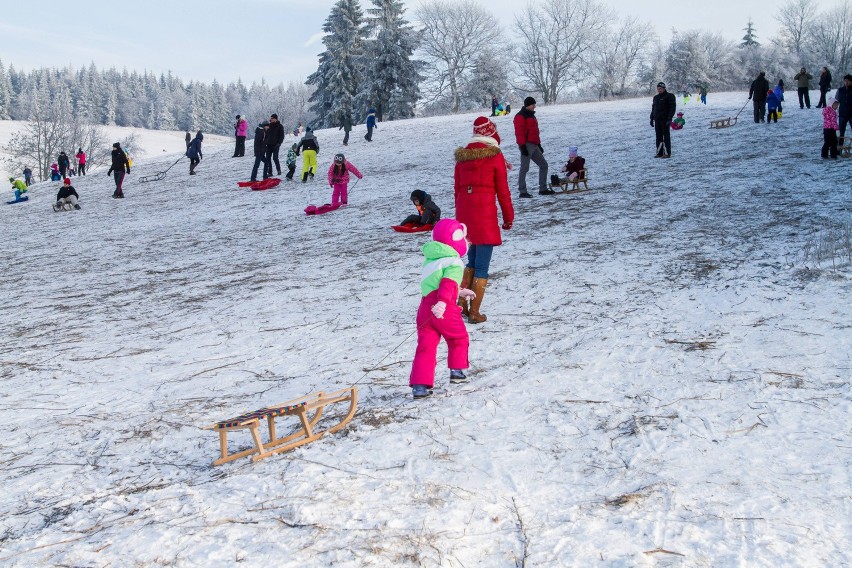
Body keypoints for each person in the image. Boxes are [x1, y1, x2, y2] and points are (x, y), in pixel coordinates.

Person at [454, 116, 514, 324]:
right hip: (485, 215)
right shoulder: (495, 156)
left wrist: (459, 220)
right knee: (482, 267)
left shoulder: (462, 158)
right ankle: (475, 312)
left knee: (470, 261)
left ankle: (462, 302)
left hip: (465, 215)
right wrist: (508, 218)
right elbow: (503, 192)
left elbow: (457, 191)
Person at [409, 218, 473, 399]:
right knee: (459, 338)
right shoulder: (454, 261)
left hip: (425, 309)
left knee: (425, 347)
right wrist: (444, 301)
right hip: (444, 309)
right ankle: (457, 372)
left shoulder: (431, 259)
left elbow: (435, 283)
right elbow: (447, 283)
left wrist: (458, 292)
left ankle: (420, 386)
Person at [513, 96, 551, 196]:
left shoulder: (532, 116)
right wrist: (522, 146)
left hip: (534, 145)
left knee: (544, 165)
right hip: (526, 145)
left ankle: (543, 189)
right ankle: (522, 191)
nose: (535, 106)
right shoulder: (520, 116)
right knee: (524, 168)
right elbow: (519, 133)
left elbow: (535, 132)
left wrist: (539, 144)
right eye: (533, 105)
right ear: (528, 105)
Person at [650, 82, 676, 157]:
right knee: (658, 137)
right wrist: (651, 118)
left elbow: (672, 108)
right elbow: (653, 109)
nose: (659, 90)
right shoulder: (656, 97)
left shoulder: (670, 96)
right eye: (658, 89)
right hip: (657, 120)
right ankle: (659, 153)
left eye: (660, 89)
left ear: (664, 88)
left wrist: (669, 118)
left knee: (666, 137)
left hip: (665, 120)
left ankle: (667, 153)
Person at [834, 74, 852, 142]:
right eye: (845, 81)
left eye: (848, 81)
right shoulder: (840, 90)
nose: (846, 82)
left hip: (851, 114)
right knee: (841, 133)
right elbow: (836, 101)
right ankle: (839, 149)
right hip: (842, 114)